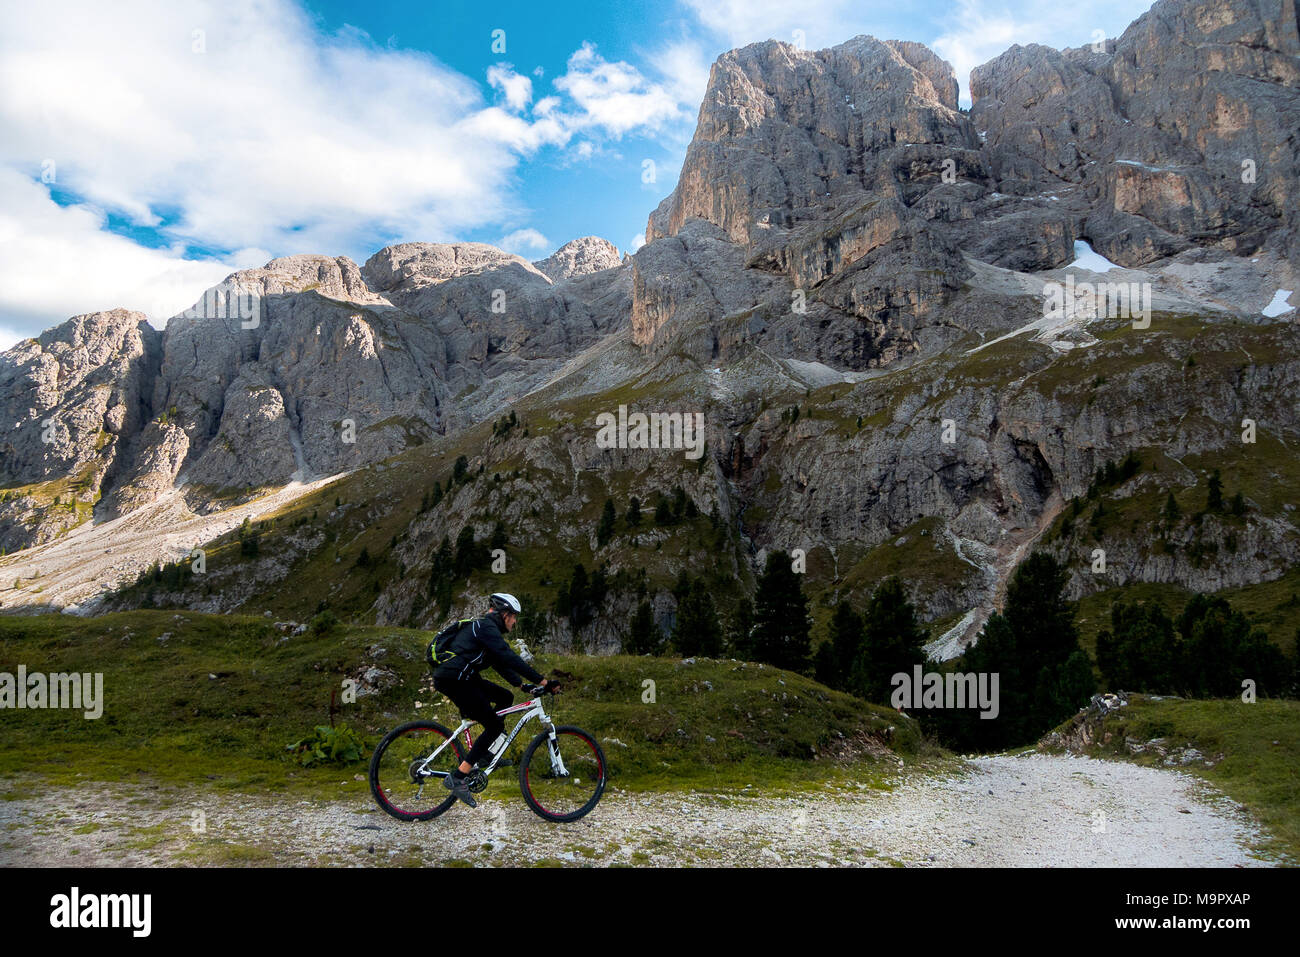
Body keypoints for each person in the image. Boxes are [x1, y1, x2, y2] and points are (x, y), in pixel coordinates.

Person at [431, 592, 559, 807]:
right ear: (505, 614)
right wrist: (543, 681)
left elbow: (500, 663)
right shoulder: (486, 627)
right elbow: (508, 656)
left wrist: (522, 686)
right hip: (456, 678)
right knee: (493, 725)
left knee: (505, 696)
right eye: (514, 616)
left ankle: (485, 755)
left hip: (463, 677)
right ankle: (459, 777)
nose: (515, 621)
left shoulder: (486, 630)